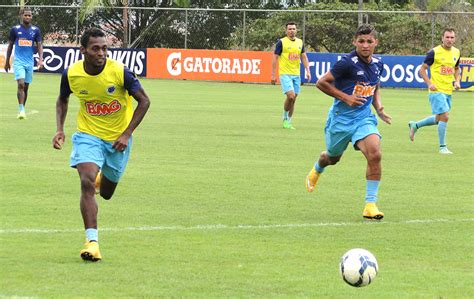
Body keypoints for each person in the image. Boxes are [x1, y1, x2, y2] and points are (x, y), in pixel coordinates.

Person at [52, 28, 150, 262]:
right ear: (83, 50)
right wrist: (59, 129)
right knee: (86, 181)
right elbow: (62, 99)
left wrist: (126, 134)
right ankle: (92, 242)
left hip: (118, 140)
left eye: (105, 48)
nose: (101, 53)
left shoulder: (119, 72)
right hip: (88, 135)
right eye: (96, 48)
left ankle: (100, 177)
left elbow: (145, 101)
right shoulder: (72, 74)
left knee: (105, 193)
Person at [306, 24, 392, 220]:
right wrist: (347, 98)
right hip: (341, 120)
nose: (365, 45)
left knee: (375, 152)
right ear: (354, 42)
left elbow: (375, 85)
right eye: (361, 41)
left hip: (363, 118)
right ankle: (318, 167)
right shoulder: (346, 63)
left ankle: (370, 204)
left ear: (376, 43)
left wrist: (378, 108)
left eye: (369, 41)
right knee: (332, 158)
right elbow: (321, 82)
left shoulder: (378, 64)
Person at [408, 28, 461, 154]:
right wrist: (429, 83)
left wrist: (457, 81)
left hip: (448, 90)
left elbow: (457, 68)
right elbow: (422, 70)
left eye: (452, 37)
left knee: (439, 119)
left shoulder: (456, 52)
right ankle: (442, 147)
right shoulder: (434, 52)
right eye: (447, 37)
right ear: (442, 38)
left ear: (455, 39)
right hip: (436, 90)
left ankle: (415, 125)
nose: (449, 40)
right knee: (445, 116)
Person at [4, 7, 43, 120]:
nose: (27, 17)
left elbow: (39, 45)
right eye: (25, 15)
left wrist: (41, 59)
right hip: (18, 62)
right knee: (20, 84)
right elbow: (10, 46)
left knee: (25, 87)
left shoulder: (36, 30)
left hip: (29, 63)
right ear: (21, 16)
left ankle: (22, 109)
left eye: (29, 15)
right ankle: (21, 110)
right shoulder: (15, 29)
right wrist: (7, 62)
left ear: (31, 17)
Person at [271, 21, 311, 130]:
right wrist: (273, 74)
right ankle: (285, 117)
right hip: (285, 74)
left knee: (294, 99)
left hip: (296, 74)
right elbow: (275, 58)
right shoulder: (281, 42)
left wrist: (307, 70)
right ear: (286, 31)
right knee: (291, 96)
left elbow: (304, 57)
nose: (292, 31)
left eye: (293, 29)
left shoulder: (299, 42)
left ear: (296, 30)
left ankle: (289, 120)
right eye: (289, 29)